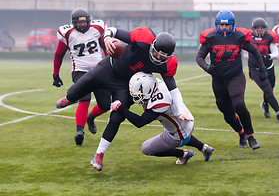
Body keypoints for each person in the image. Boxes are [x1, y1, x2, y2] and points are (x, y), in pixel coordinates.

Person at [55, 26, 189, 167]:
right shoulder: (143, 40)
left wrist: (180, 110)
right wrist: (107, 38)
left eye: (163, 56)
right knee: (73, 92)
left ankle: (99, 154)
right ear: (152, 44)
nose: (158, 58)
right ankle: (70, 99)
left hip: (125, 85)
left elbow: (172, 88)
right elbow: (113, 30)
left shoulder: (167, 64)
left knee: (117, 117)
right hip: (108, 68)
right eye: (157, 53)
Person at [90, 72, 214, 170]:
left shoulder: (160, 103)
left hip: (179, 132)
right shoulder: (155, 83)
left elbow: (139, 122)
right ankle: (204, 148)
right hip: (186, 120)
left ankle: (183, 154)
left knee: (147, 148)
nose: (135, 97)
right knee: (176, 131)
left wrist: (120, 108)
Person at [196, 10, 267, 150]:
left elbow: (254, 51)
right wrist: (207, 68)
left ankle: (251, 136)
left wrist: (263, 69)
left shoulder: (239, 36)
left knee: (239, 104)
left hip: (235, 76)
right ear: (217, 25)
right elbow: (199, 58)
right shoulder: (210, 38)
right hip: (218, 79)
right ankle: (241, 134)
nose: (224, 28)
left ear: (233, 25)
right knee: (227, 114)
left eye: (227, 25)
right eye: (221, 25)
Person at [53, 8, 110, 146]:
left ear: (89, 21)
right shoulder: (67, 33)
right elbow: (59, 55)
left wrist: (110, 65)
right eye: (78, 23)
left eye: (84, 22)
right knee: (84, 98)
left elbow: (105, 48)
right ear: (73, 23)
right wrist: (55, 74)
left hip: (99, 69)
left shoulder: (97, 28)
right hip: (80, 70)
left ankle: (90, 118)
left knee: (105, 105)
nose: (82, 25)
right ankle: (80, 131)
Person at [248, 18, 279, 122]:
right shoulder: (249, 37)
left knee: (270, 89)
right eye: (257, 28)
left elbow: (276, 54)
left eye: (262, 27)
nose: (260, 30)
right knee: (268, 90)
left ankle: (265, 105)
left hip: (269, 67)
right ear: (253, 28)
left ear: (265, 28)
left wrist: (267, 56)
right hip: (255, 69)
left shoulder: (270, 37)